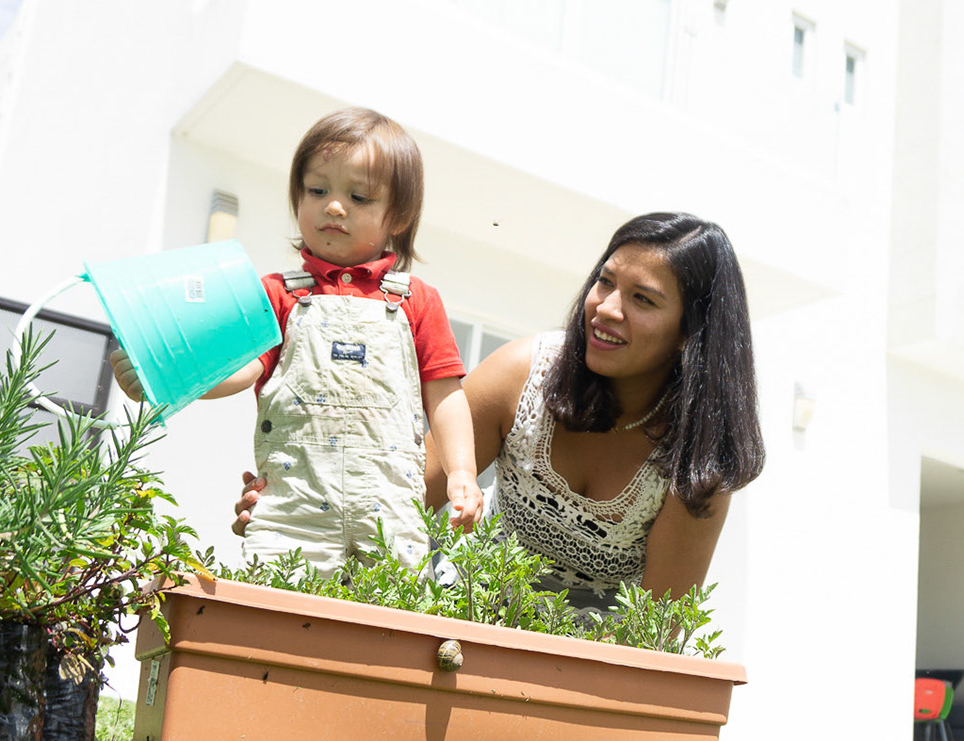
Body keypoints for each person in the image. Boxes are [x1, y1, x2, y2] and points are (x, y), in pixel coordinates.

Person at [236, 212, 765, 606]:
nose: (605, 308)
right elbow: (393, 497)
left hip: (589, 667)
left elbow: (658, 626)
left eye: (642, 299)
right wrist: (305, 507)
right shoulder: (523, 374)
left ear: (689, 336)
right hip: (460, 611)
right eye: (605, 282)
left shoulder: (700, 459)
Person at [112, 107, 483, 571]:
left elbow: (445, 393)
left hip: (391, 513)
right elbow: (242, 368)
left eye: (360, 196)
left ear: (399, 217)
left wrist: (463, 471)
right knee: (279, 617)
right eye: (317, 190)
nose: (333, 205)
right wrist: (166, 377)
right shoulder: (278, 294)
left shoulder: (416, 301)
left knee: (390, 625)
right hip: (291, 511)